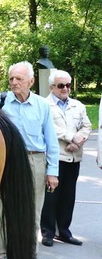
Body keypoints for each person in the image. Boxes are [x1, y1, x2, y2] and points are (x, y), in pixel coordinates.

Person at [0, 61, 59, 259]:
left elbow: (51, 140)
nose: (14, 83)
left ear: (31, 81)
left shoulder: (41, 105)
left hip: (34, 161)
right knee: (2, 209)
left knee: (32, 212)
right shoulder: (1, 101)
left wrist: (52, 171)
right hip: (7, 160)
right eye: (11, 78)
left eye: (19, 79)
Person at [40, 70, 91, 247]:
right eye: (61, 85)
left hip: (74, 157)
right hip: (55, 158)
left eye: (68, 85)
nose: (65, 89)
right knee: (51, 197)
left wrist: (77, 143)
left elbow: (87, 126)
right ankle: (47, 232)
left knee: (68, 196)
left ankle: (64, 231)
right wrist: (72, 137)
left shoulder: (78, 105)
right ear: (52, 87)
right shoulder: (44, 105)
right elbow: (49, 128)